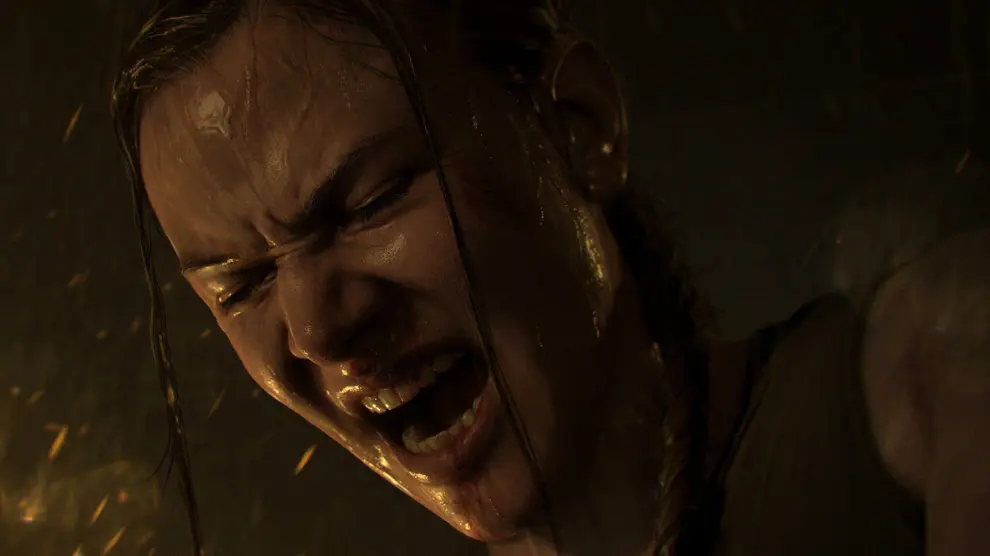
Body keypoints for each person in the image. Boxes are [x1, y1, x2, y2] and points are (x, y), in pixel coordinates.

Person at [111, 1, 990, 554]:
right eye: (240, 284)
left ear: (578, 125)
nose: (314, 328)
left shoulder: (913, 390)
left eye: (371, 202)